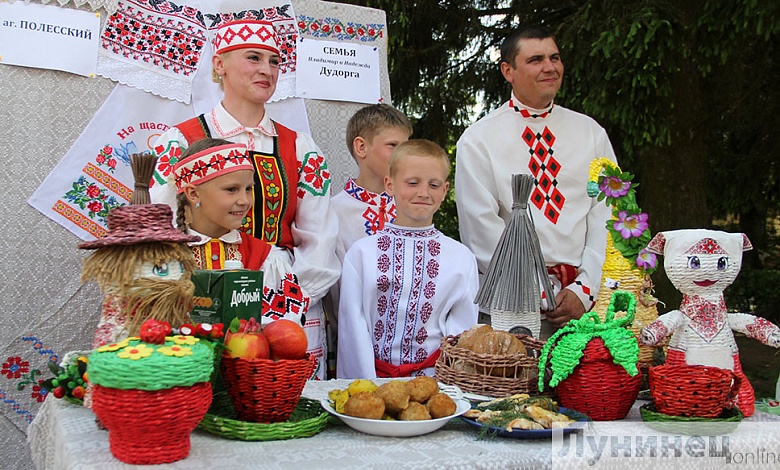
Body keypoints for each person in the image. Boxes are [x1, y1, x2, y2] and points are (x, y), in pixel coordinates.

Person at [150, 19, 339, 379]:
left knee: (279, 407)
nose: (266, 70)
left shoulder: (299, 147)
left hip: (287, 301)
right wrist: (188, 296)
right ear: (219, 64)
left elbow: (321, 238)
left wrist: (285, 307)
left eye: (274, 61)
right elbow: (161, 227)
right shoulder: (181, 140)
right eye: (253, 58)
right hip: (198, 297)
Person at [455, 24, 617, 337]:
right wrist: (539, 293)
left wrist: (586, 289)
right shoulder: (479, 139)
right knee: (516, 387)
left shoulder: (591, 134)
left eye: (554, 58)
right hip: (513, 305)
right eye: (536, 60)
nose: (549, 67)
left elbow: (607, 215)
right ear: (508, 70)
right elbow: (480, 229)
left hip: (584, 304)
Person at [337, 139, 479, 379]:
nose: (423, 193)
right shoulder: (362, 254)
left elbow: (462, 332)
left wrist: (446, 386)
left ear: (445, 191)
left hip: (437, 383)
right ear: (389, 185)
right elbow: (353, 326)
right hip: (373, 381)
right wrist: (365, 387)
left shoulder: (461, 257)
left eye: (433, 185)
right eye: (412, 183)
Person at [171, 138, 306, 327]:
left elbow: (284, 329)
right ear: (193, 194)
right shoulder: (164, 257)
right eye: (232, 189)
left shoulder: (263, 256)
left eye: (249, 189)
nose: (244, 200)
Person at [326, 103, 412, 377]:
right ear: (361, 147)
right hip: (354, 346)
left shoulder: (411, 208)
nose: (404, 155)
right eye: (393, 146)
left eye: (407, 146)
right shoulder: (334, 212)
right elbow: (335, 292)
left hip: (411, 350)